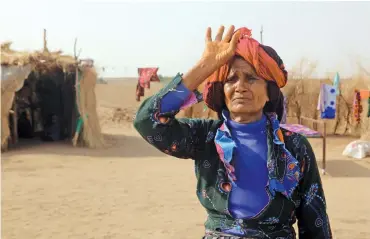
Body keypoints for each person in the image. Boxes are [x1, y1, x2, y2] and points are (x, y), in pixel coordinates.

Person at [133, 25, 332, 239]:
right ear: (222, 90)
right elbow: (148, 121)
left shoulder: (294, 146)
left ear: (269, 92)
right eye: (231, 79)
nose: (240, 87)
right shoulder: (205, 137)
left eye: (252, 78)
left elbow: (315, 224)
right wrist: (205, 66)